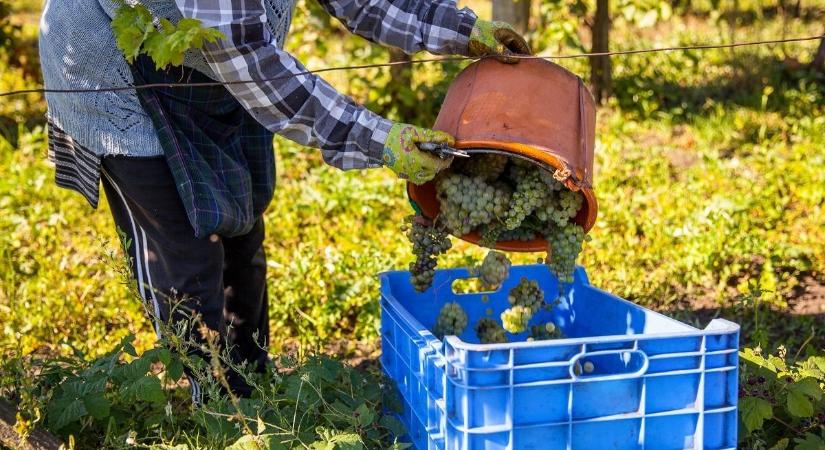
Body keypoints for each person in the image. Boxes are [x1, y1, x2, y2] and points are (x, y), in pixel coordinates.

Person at [38, 0, 530, 399]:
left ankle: (252, 380)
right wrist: (379, 139)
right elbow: (264, 75)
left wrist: (458, 30)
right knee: (183, 251)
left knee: (243, 229)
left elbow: (366, 1)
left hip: (218, 70)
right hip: (118, 74)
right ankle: (208, 400)